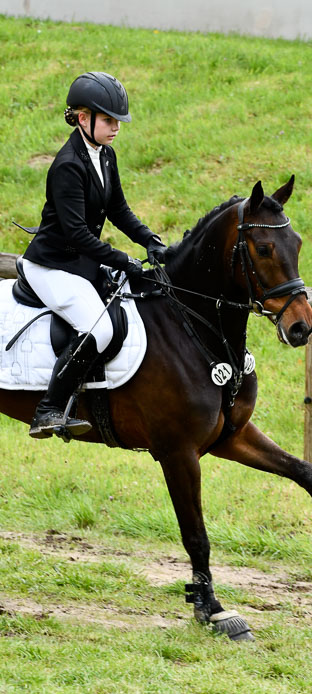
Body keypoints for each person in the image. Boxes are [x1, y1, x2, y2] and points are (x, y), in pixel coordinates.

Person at [22, 71, 166, 440]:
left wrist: (149, 240)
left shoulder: (105, 155)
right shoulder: (68, 165)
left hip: (79, 263)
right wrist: (123, 259)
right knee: (99, 328)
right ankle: (48, 409)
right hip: (52, 265)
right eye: (108, 120)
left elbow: (118, 209)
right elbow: (78, 235)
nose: (116, 127)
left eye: (117, 121)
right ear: (83, 118)